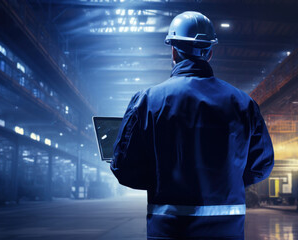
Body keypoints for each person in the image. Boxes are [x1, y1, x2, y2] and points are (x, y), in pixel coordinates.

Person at [111, 11, 274, 240]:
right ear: (210, 52)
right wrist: (225, 180)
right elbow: (261, 166)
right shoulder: (243, 104)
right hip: (227, 231)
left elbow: (123, 168)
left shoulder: (147, 101)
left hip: (168, 230)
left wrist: (162, 179)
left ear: (174, 50)